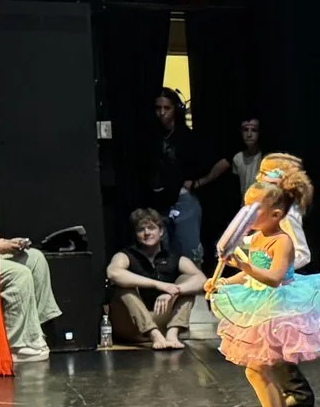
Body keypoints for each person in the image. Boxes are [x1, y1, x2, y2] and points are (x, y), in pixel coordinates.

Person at [206, 179, 320, 407]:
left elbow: (274, 277)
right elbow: (250, 275)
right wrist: (223, 282)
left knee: (256, 369)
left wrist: (243, 265)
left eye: (253, 211)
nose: (245, 215)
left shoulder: (282, 241)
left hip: (277, 309)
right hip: (260, 306)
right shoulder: (256, 239)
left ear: (275, 215)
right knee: (259, 369)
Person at [106, 208, 207, 349]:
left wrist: (175, 290)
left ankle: (172, 334)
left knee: (188, 281)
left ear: (161, 231)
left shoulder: (173, 257)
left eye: (151, 228)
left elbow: (202, 280)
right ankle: (154, 335)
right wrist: (158, 284)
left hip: (161, 321)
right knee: (124, 288)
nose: (147, 233)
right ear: (136, 234)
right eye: (141, 230)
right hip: (131, 325)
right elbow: (113, 273)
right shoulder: (126, 255)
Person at [144, 90, 205, 264]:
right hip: (157, 201)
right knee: (162, 255)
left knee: (188, 253)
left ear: (175, 109)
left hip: (182, 200)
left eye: (166, 108)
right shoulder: (151, 137)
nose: (162, 113)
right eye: (158, 108)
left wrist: (196, 182)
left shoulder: (186, 137)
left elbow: (217, 162)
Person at [0, 235, 61, 363]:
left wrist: (7, 242)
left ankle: (34, 334)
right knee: (19, 274)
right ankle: (15, 344)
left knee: (36, 258)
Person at [193, 116, 266, 205]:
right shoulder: (238, 158)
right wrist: (198, 182)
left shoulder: (267, 158)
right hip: (245, 206)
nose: (249, 134)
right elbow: (221, 166)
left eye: (254, 130)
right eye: (245, 130)